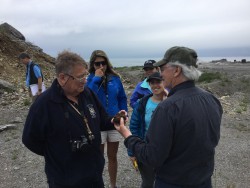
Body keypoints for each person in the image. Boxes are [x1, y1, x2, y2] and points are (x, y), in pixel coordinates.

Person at [114, 46, 223, 188]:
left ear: (177, 70)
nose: (161, 73)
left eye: (163, 68)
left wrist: (127, 135)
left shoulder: (167, 107)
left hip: (173, 182)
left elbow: (152, 157)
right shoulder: (211, 99)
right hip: (204, 181)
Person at [22, 50, 123, 188]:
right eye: (81, 77)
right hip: (65, 180)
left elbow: (102, 119)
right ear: (63, 78)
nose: (85, 81)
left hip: (94, 176)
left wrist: (115, 120)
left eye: (85, 76)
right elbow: (30, 139)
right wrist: (56, 153)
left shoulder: (87, 94)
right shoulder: (44, 104)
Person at [86, 50, 128, 188]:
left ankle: (113, 185)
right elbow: (87, 96)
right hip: (97, 123)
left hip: (114, 121)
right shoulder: (89, 79)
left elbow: (122, 97)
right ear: (93, 64)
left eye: (103, 63)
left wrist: (124, 112)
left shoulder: (115, 78)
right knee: (98, 158)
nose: (101, 66)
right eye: (97, 63)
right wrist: (97, 78)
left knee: (112, 157)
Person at [129, 72, 167, 188]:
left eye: (158, 82)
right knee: (148, 182)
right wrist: (132, 151)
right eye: (152, 83)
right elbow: (134, 127)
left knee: (166, 182)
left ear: (164, 82)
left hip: (167, 151)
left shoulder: (172, 102)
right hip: (146, 150)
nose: (155, 85)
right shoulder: (142, 103)